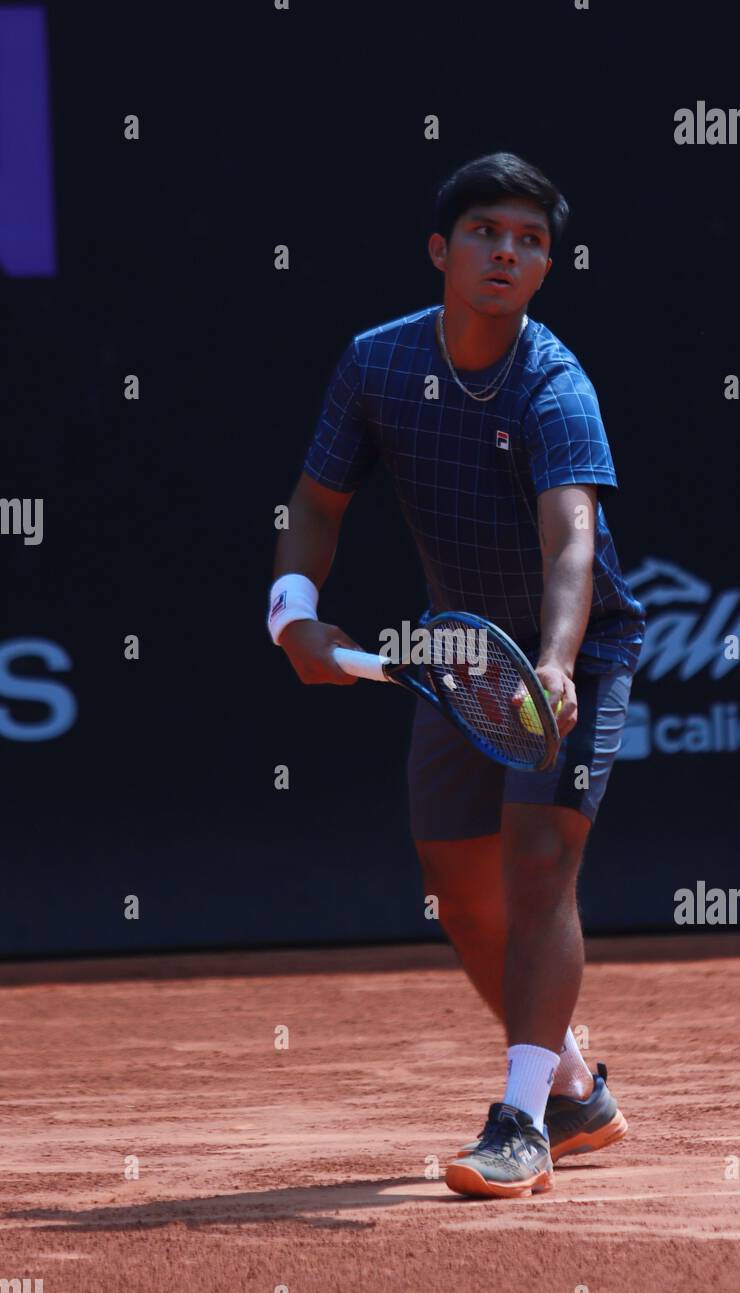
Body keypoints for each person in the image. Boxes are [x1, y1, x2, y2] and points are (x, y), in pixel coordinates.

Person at [269, 152, 646, 1198]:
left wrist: (562, 663)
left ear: (543, 268)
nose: (506, 253)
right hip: (458, 651)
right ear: (442, 250)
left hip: (581, 651)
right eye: (486, 232)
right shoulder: (376, 364)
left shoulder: (554, 383)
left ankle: (521, 1121)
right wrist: (292, 614)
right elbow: (314, 506)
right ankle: (573, 1087)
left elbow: (572, 538)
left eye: (529, 242)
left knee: (537, 864)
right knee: (458, 891)